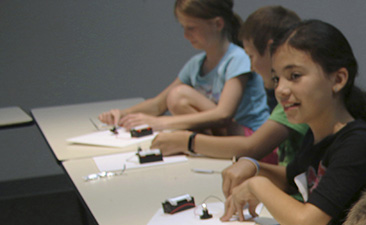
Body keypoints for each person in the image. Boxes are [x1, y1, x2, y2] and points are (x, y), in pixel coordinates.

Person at [219, 19, 366, 225]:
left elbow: (305, 224)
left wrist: (256, 185)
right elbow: (292, 177)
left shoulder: (358, 144)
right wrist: (253, 166)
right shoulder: (315, 132)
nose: (281, 90)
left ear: (338, 79)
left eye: (294, 76)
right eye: (277, 78)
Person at [152, 5, 306, 166]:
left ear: (270, 49)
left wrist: (188, 141)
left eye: (251, 56)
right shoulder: (197, 63)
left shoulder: (293, 98)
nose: (251, 67)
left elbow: (251, 147)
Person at [99, 0, 269, 135]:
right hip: (226, 134)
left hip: (251, 137)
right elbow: (158, 104)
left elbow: (223, 114)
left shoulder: (238, 58)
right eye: (184, 27)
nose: (186, 35)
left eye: (191, 28)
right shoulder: (196, 64)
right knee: (176, 97)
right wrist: (123, 114)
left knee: (179, 96)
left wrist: (160, 123)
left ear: (217, 24)